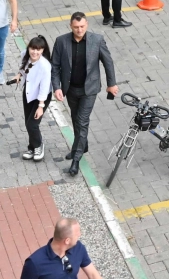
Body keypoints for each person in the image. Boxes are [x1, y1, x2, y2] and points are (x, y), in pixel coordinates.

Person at [50, 13, 120, 176]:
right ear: (70, 26)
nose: (79, 30)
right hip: (71, 89)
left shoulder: (97, 40)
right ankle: (82, 145)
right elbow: (55, 66)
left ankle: (76, 158)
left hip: (89, 89)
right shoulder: (61, 41)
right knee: (76, 119)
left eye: (82, 26)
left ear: (86, 25)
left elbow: (107, 61)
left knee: (82, 121)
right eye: (76, 27)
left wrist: (111, 84)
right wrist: (57, 87)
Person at [19, 35, 52, 161]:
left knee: (32, 124)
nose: (35, 52)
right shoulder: (25, 55)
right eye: (33, 49)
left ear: (42, 50)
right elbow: (24, 68)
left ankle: (38, 146)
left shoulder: (45, 66)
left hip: (41, 97)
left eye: (38, 50)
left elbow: (44, 87)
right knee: (28, 122)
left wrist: (41, 106)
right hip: (28, 92)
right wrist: (18, 75)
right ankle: (32, 147)